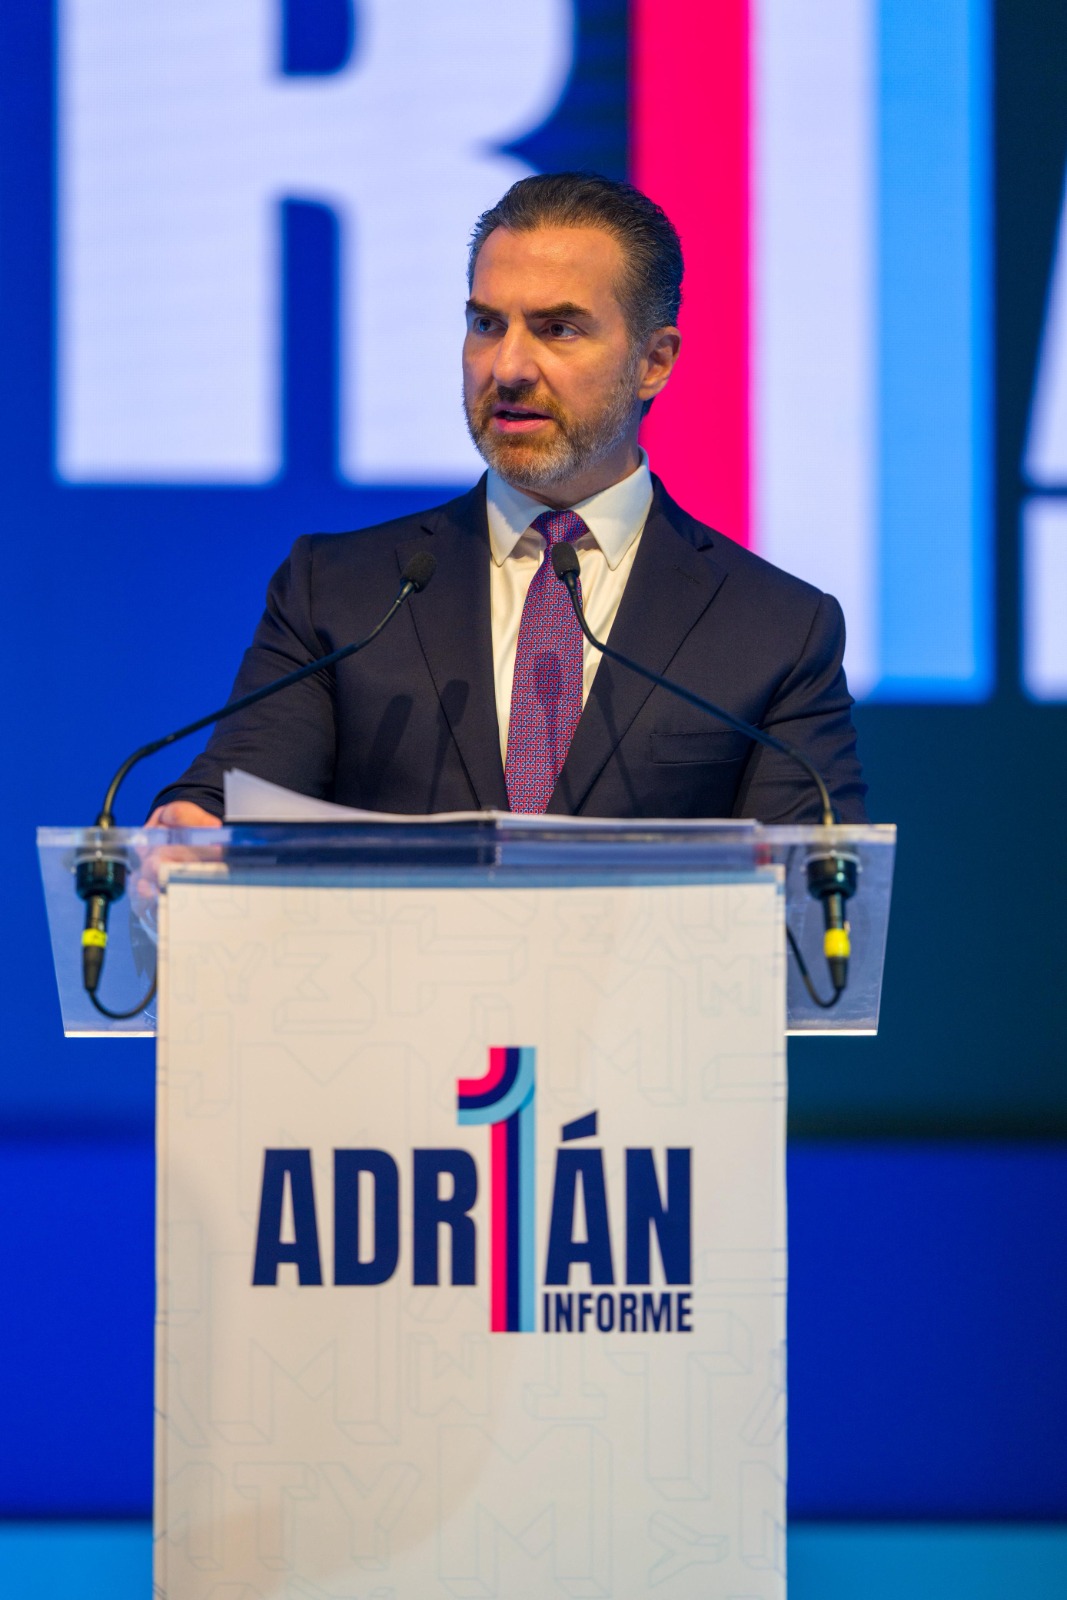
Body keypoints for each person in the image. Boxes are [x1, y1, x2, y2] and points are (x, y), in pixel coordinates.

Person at [149, 173, 866, 829]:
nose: (509, 367)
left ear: (654, 362)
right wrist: (195, 823)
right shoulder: (339, 593)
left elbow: (811, 892)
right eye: (487, 324)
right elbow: (234, 794)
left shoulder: (776, 631)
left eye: (558, 329)